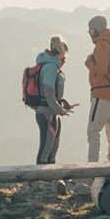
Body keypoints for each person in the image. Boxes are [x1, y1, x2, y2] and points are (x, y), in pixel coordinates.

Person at [84, 15, 110, 166]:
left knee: (93, 131)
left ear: (95, 30)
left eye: (90, 30)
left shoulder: (101, 46)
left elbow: (101, 70)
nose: (89, 33)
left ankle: (92, 166)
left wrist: (89, 63)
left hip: (101, 93)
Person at [33, 36, 72, 164]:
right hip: (47, 113)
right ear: (59, 54)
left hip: (49, 111)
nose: (65, 61)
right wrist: (59, 110)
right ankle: (41, 179)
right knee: (46, 147)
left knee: (52, 145)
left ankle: (49, 178)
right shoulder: (51, 68)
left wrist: (63, 104)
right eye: (64, 57)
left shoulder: (48, 66)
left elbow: (51, 93)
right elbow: (49, 93)